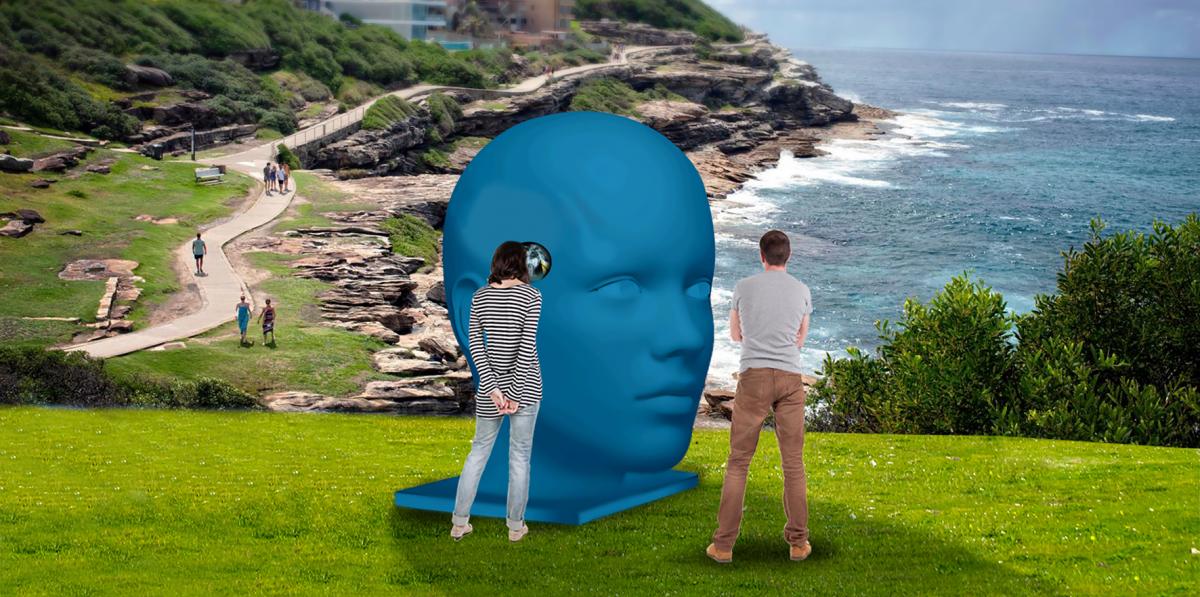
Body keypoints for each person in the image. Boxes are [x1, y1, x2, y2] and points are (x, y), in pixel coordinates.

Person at [708, 229, 814, 564]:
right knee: (793, 464)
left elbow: (736, 334)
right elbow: (799, 340)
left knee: (739, 463)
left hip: (753, 377)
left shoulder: (743, 288)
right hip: (789, 379)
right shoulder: (802, 290)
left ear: (761, 255)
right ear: (789, 256)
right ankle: (798, 543)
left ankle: (723, 546)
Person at [451, 241, 543, 543]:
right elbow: (526, 348)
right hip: (526, 390)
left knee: (478, 453)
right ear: (522, 264)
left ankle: (459, 522)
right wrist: (515, 394)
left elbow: (476, 346)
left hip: (492, 391)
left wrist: (493, 390)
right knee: (519, 458)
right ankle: (516, 527)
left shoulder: (480, 297)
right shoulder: (532, 296)